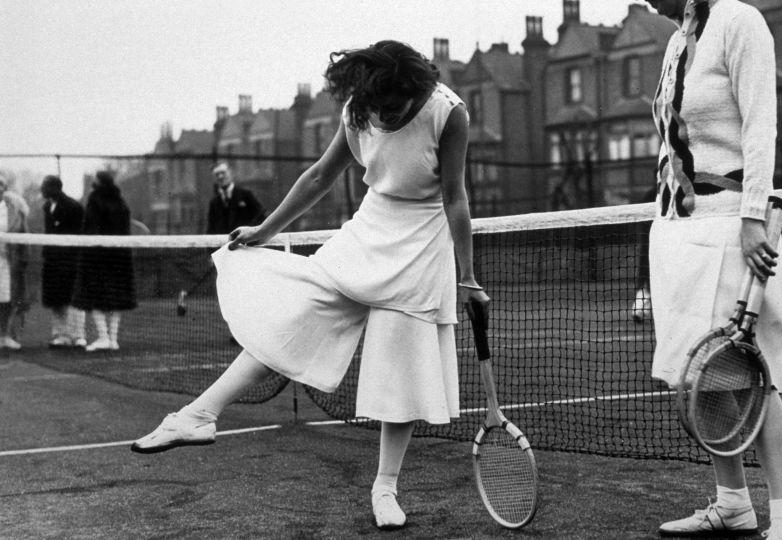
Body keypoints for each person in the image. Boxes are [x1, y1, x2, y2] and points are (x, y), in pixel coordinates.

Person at [132, 40, 487, 531]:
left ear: (415, 90)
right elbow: (320, 175)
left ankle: (385, 486)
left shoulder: (449, 114)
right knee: (295, 316)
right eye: (378, 107)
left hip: (424, 241)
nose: (386, 115)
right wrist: (264, 231)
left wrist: (466, 276)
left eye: (395, 107)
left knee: (400, 371)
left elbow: (454, 197)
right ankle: (198, 415)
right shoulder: (357, 110)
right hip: (371, 225)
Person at [643, 1, 782, 539]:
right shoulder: (676, 43)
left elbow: (762, 125)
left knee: (750, 374)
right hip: (678, 229)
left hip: (732, 226)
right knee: (704, 375)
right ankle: (733, 503)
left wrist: (751, 217)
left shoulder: (739, 22)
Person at [73, 170, 137, 352]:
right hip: (120, 258)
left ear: (99, 182)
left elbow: (90, 227)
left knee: (95, 298)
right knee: (114, 300)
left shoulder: (95, 199)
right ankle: (112, 340)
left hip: (98, 258)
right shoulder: (121, 201)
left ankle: (104, 337)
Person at [40, 175, 88, 349]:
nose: (42, 190)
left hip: (70, 261)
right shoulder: (46, 207)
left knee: (74, 299)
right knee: (56, 300)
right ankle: (61, 335)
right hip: (52, 261)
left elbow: (80, 234)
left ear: (54, 188)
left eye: (44, 186)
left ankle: (78, 336)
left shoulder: (74, 207)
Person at [0, 172, 30, 350]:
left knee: (6, 302)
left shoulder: (14, 210)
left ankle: (4, 336)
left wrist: (22, 259)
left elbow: (23, 234)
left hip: (7, 263)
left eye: (1, 186)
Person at [206, 162, 264, 235]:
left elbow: (261, 215)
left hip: (244, 242)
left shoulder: (245, 195)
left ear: (231, 173)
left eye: (223, 173)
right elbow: (211, 228)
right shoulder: (214, 202)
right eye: (217, 175)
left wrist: (249, 232)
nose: (220, 177)